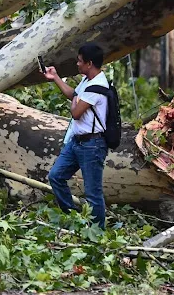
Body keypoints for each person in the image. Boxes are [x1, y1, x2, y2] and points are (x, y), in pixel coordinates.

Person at [43, 42, 109, 228]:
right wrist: (55, 77)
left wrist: (75, 101)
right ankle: (73, 219)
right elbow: (74, 94)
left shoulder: (97, 86)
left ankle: (97, 234)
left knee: (93, 193)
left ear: (89, 63)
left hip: (92, 145)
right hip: (76, 142)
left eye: (80, 61)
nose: (77, 64)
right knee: (56, 176)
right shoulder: (87, 81)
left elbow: (76, 113)